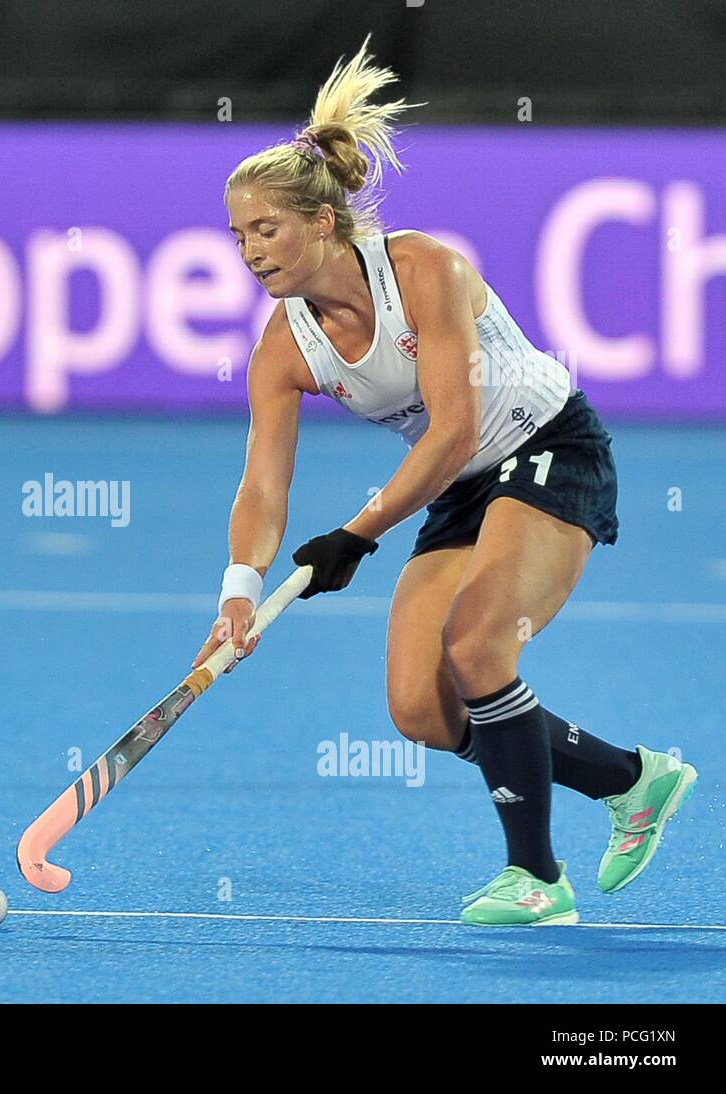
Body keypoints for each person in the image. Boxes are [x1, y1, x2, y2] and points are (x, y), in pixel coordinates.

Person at [192, 38, 697, 926]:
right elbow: (262, 486)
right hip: (457, 484)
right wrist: (240, 591)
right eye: (237, 235)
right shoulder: (282, 348)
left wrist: (358, 531)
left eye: (264, 228)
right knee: (421, 709)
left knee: (476, 648)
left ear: (321, 222)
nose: (249, 251)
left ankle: (536, 878)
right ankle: (633, 780)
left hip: (547, 449)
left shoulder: (423, 268)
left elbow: (457, 424)